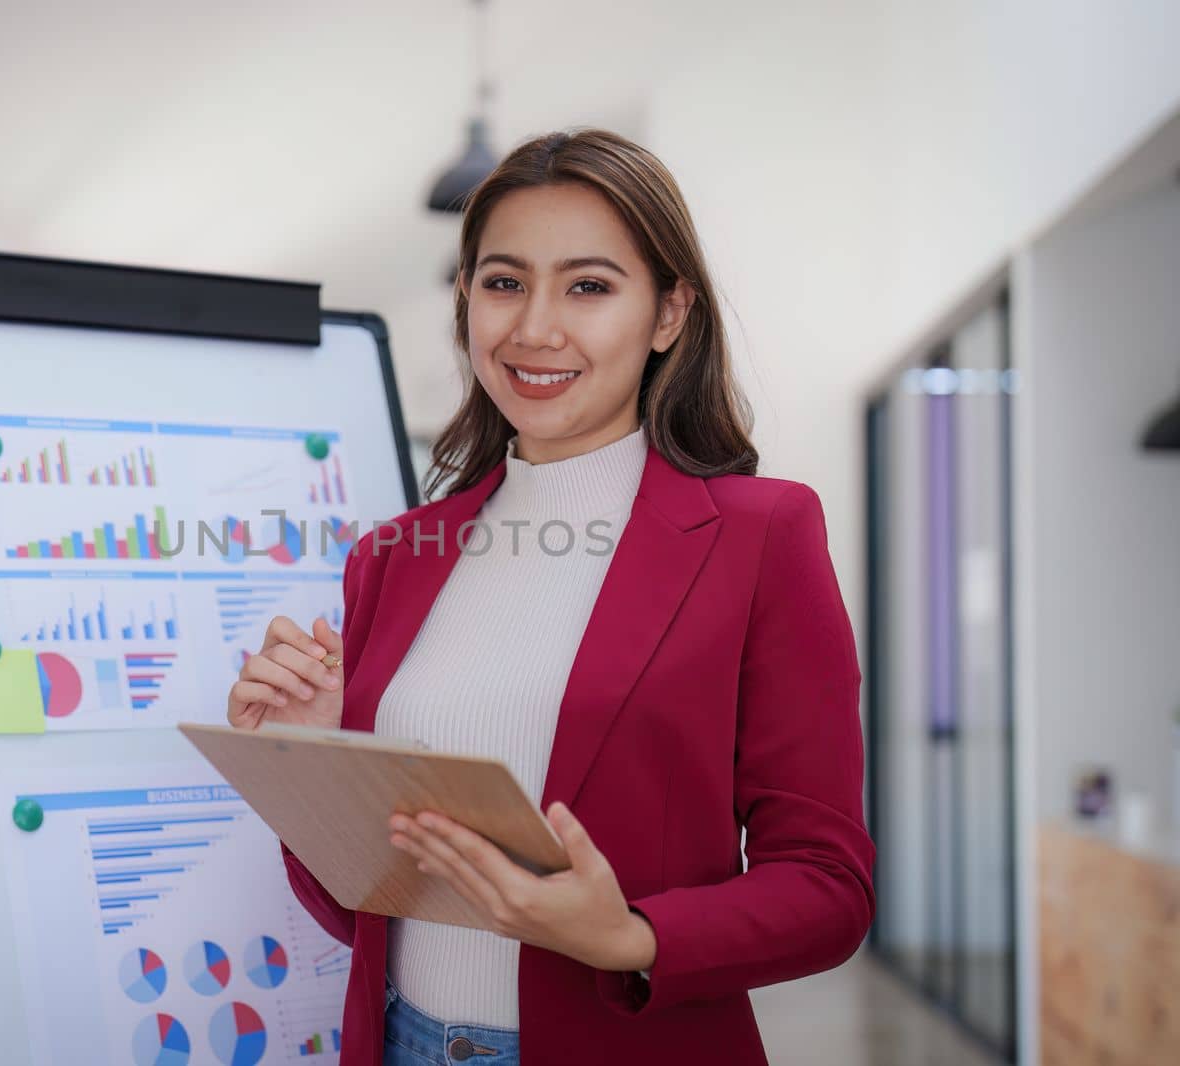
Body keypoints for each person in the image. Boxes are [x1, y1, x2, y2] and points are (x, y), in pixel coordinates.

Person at [226, 127, 874, 1066]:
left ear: (668, 314)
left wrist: (632, 938)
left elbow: (828, 889)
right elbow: (361, 908)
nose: (534, 328)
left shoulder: (760, 535)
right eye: (503, 282)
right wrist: (315, 755)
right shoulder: (394, 557)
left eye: (589, 286)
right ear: (466, 300)